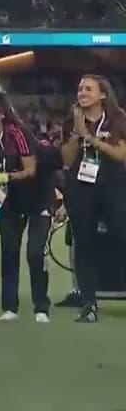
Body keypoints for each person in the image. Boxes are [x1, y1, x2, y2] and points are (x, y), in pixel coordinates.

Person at [0, 93, 48, 322]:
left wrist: (5, 176)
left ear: (1, 114)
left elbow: (31, 170)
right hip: (8, 201)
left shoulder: (17, 133)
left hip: (37, 198)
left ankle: (41, 308)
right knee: (9, 251)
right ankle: (10, 308)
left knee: (35, 253)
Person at [61, 74, 126, 323]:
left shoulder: (117, 119)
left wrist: (90, 138)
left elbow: (121, 155)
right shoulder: (71, 120)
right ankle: (88, 304)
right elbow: (67, 160)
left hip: (113, 187)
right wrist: (77, 136)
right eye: (80, 89)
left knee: (122, 237)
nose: (82, 93)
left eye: (88, 89)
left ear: (102, 95)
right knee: (83, 244)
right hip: (81, 187)